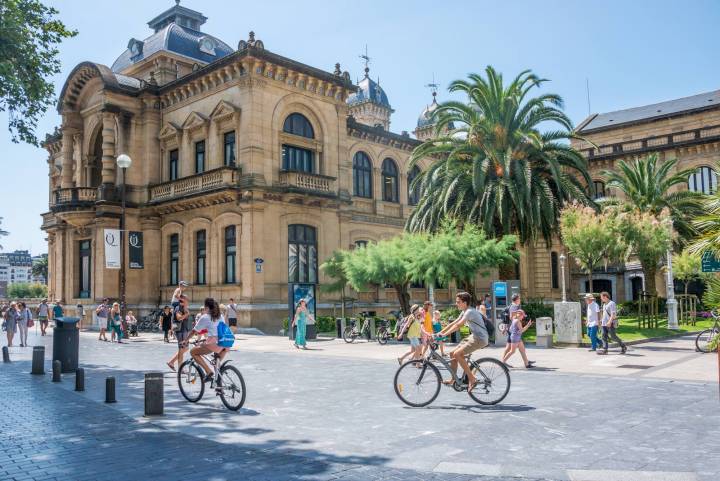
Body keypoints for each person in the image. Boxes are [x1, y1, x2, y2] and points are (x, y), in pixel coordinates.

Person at [436, 292, 489, 392]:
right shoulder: (464, 311)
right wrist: (439, 332)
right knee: (452, 354)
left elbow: (459, 325)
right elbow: (454, 322)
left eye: (458, 302)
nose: (456, 304)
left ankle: (472, 379)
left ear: (465, 303)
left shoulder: (470, 312)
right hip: (474, 336)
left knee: (457, 354)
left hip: (480, 338)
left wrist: (444, 335)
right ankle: (453, 379)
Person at [183, 298, 228, 382]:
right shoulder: (220, 316)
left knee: (193, 352)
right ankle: (219, 386)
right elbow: (215, 329)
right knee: (216, 364)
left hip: (215, 343)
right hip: (226, 342)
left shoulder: (205, 317)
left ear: (206, 307)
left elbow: (194, 331)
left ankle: (208, 372)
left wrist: (185, 340)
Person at [166, 295, 190, 371]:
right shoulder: (178, 308)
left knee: (185, 348)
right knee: (182, 348)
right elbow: (179, 318)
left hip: (184, 330)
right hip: (180, 331)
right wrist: (186, 314)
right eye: (186, 300)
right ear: (183, 300)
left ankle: (171, 362)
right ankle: (180, 368)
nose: (187, 301)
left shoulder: (184, 308)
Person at [501, 294, 522, 359]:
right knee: (510, 349)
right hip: (512, 330)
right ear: (516, 300)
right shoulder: (513, 307)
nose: (520, 300)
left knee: (510, 347)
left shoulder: (514, 306)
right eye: (519, 299)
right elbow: (511, 318)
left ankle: (526, 362)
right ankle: (503, 361)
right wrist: (518, 320)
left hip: (511, 329)